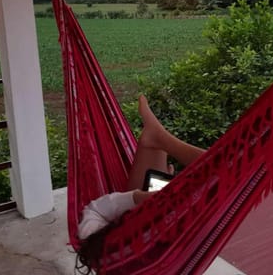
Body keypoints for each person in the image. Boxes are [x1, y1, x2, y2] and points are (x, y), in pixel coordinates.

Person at [76, 94, 205, 271]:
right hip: (172, 237)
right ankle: (161, 139)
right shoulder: (110, 254)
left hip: (158, 240)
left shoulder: (111, 256)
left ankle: (157, 139)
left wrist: (143, 197)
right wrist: (144, 198)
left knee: (153, 162)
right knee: (230, 167)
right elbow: (94, 212)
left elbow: (93, 220)